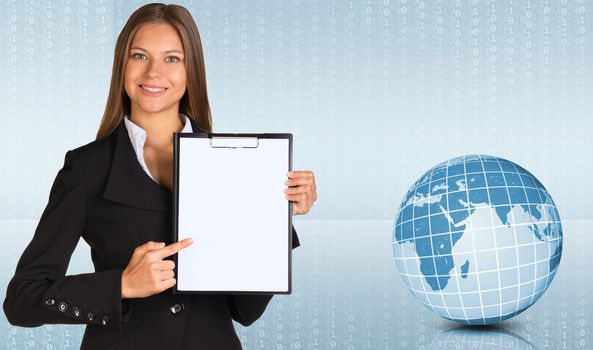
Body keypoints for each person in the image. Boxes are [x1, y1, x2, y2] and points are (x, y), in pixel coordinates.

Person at [3, 3, 317, 349]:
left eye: (172, 59)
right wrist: (121, 285)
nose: (154, 72)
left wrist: (275, 215)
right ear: (122, 65)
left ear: (191, 70)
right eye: (139, 56)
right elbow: (21, 302)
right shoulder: (87, 168)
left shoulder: (238, 165)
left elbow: (244, 309)